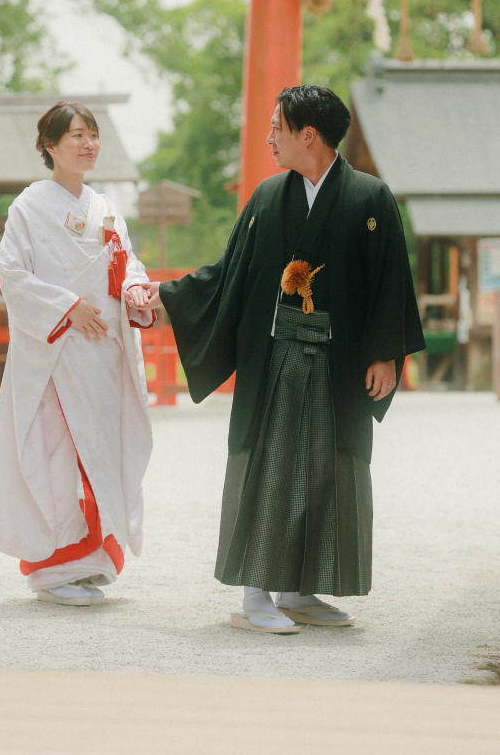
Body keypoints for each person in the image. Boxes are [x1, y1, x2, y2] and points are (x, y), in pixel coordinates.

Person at [147, 85, 423, 634]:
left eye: (277, 127)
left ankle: (300, 589)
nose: (270, 137)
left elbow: (390, 283)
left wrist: (385, 354)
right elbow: (230, 275)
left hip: (337, 363)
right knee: (269, 470)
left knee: (327, 470)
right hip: (273, 359)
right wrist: (168, 297)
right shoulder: (268, 198)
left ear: (308, 135)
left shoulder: (370, 198)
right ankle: (255, 594)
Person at [0, 102, 155, 606]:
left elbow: (128, 262)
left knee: (101, 450)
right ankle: (53, 568)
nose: (89, 143)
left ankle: (91, 559)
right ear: (49, 146)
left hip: (100, 355)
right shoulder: (29, 207)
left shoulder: (107, 207)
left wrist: (136, 289)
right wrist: (67, 305)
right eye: (76, 135)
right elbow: (12, 272)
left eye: (93, 134)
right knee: (56, 453)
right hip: (56, 352)